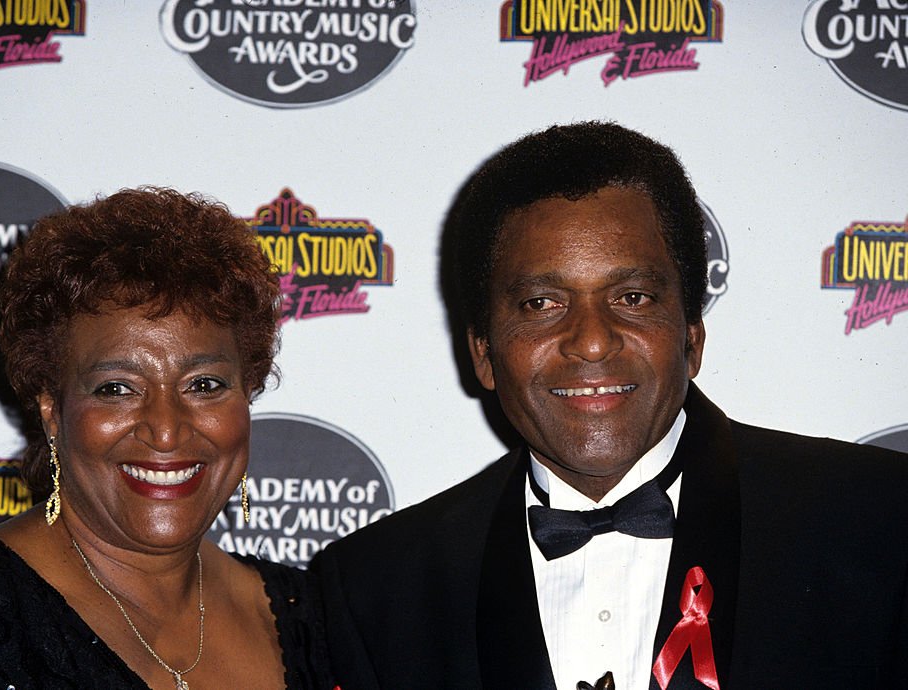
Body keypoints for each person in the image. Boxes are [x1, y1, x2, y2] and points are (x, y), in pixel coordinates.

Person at [312, 122, 908, 689]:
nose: (592, 340)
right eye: (542, 304)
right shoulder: (377, 589)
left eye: (632, 296)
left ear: (692, 337)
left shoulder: (880, 523)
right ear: (484, 354)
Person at [0, 188, 334, 689]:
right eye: (116, 389)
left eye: (204, 385)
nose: (165, 430)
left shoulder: (308, 618)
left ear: (246, 395)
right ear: (52, 409)